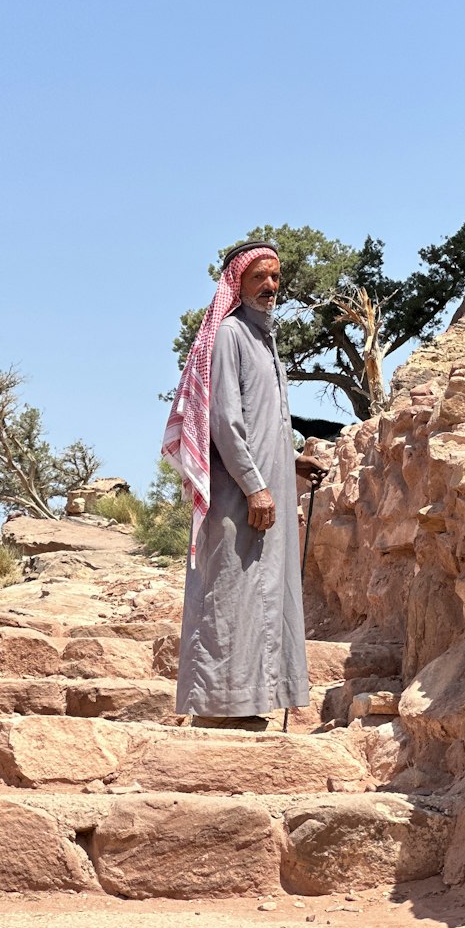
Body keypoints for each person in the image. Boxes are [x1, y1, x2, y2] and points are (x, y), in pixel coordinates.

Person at [162, 240, 327, 731]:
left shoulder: (264, 340)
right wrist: (256, 485)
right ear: (238, 282)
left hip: (268, 489)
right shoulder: (231, 334)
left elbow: (263, 424)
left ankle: (251, 701)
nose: (271, 287)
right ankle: (219, 707)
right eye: (260, 277)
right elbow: (225, 423)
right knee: (232, 591)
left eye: (276, 277)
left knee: (263, 596)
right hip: (240, 495)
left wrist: (290, 463)